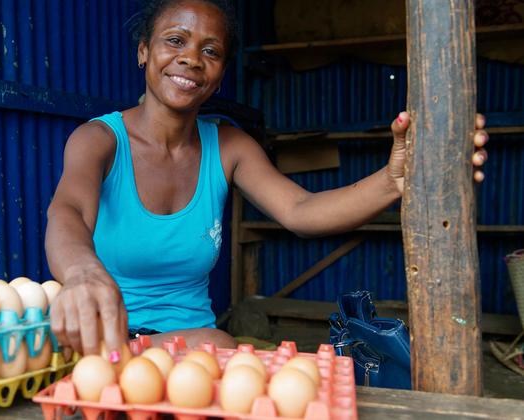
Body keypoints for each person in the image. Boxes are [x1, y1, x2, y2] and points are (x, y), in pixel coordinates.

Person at [45, 0, 489, 363]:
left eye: (211, 51)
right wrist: (83, 274)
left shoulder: (229, 146)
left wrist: (396, 180)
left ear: (219, 75)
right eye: (175, 40)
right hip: (103, 346)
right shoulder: (99, 139)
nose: (191, 59)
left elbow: (301, 211)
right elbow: (68, 211)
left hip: (194, 349)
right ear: (144, 51)